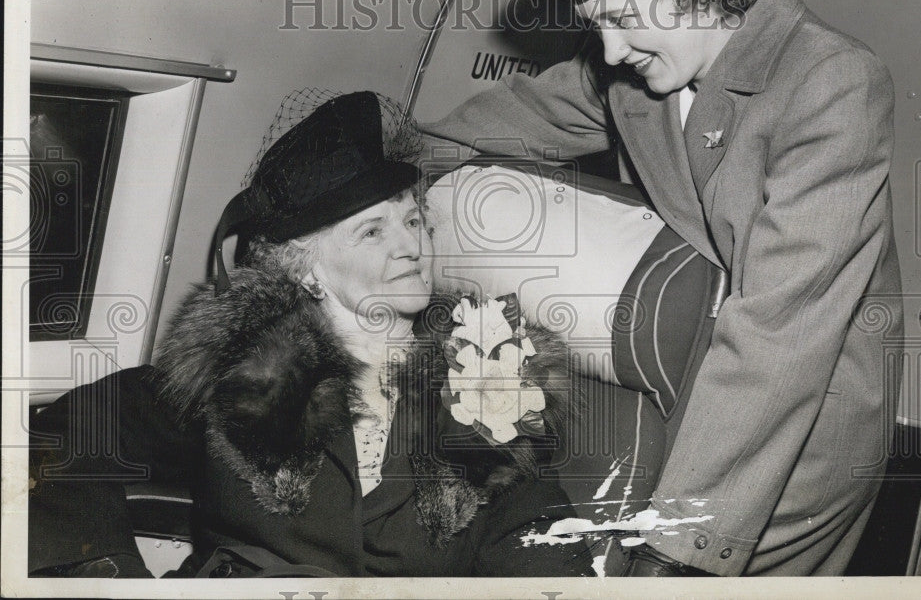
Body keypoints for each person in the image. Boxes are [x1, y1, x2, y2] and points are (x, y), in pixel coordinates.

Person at [420, 0, 903, 576]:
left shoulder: (832, 83)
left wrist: (677, 546)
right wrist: (390, 168)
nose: (610, 52)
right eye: (597, 27)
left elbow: (779, 330)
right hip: (698, 385)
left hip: (799, 433)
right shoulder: (639, 71)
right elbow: (518, 115)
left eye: (619, 17)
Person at [29, 90, 594, 578]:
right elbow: (64, 434)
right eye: (372, 231)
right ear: (307, 269)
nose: (410, 246)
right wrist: (105, 574)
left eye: (412, 220)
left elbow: (533, 534)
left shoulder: (488, 377)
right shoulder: (240, 372)